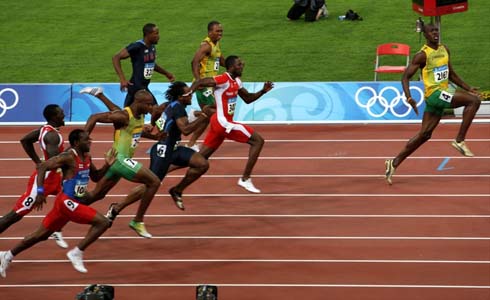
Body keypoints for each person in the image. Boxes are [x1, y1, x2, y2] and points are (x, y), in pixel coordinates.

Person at [0, 129, 116, 277]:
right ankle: (77, 252)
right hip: (66, 202)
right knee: (103, 222)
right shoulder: (68, 157)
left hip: (70, 203)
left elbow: (96, 177)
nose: (90, 141)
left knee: (40, 235)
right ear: (76, 142)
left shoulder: (87, 157)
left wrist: (107, 165)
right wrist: (40, 192)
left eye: (90, 139)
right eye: (86, 139)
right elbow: (43, 166)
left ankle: (7, 255)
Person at [384, 23, 481, 185]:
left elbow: (451, 74)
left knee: (425, 135)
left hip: (443, 93)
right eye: (432, 31)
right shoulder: (422, 55)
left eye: (437, 30)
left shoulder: (444, 49)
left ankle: (393, 163)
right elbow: (405, 77)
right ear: (426, 35)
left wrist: (468, 87)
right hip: (435, 94)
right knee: (474, 101)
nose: (435, 33)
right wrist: (409, 97)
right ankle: (459, 140)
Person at [105, 81, 210, 220]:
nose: (191, 95)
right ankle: (117, 208)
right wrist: (203, 117)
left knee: (202, 164)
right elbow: (185, 130)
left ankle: (177, 190)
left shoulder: (169, 105)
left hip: (174, 149)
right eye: (188, 94)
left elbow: (157, 111)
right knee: (151, 184)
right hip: (163, 150)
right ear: (180, 97)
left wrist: (152, 124)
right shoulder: (177, 108)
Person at [188, 55, 274, 193]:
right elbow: (200, 82)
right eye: (239, 64)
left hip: (219, 124)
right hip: (224, 123)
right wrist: (189, 93)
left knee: (200, 158)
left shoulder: (237, 82)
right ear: (232, 67)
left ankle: (169, 175)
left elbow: (247, 99)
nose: (243, 65)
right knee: (258, 141)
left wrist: (263, 91)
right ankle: (245, 179)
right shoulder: (223, 79)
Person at [83, 89, 162, 238]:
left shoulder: (140, 115)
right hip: (119, 159)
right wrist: (82, 142)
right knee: (154, 182)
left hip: (117, 160)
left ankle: (62, 216)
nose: (151, 108)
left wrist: (155, 137)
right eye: (149, 105)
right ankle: (138, 220)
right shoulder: (123, 116)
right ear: (139, 103)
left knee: (95, 196)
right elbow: (94, 117)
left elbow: (135, 131)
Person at [0, 104, 68, 249]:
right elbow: (54, 162)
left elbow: (25, 140)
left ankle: (56, 229)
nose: (64, 115)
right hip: (44, 180)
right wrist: (40, 191)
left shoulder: (44, 130)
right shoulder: (52, 136)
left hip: (56, 179)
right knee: (16, 214)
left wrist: (37, 161)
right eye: (61, 113)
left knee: (72, 201)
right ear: (54, 117)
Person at [113, 23, 175, 107]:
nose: (158, 36)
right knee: (155, 111)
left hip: (142, 86)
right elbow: (116, 58)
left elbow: (151, 64)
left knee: (128, 114)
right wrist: (122, 79)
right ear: (148, 34)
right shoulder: (137, 46)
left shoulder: (152, 47)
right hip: (136, 86)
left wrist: (166, 73)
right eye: (156, 33)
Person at [186, 20, 225, 151]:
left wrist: (233, 67)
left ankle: (192, 141)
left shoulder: (216, 43)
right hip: (204, 85)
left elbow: (220, 59)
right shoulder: (206, 46)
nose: (220, 33)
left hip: (211, 83)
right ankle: (196, 117)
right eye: (217, 31)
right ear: (210, 32)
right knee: (212, 113)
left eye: (221, 31)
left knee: (209, 114)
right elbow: (194, 62)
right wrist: (198, 81)